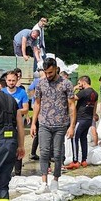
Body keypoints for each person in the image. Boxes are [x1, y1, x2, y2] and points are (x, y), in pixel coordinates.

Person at [31, 58, 75, 191]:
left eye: (50, 72)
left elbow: (72, 106)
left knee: (57, 154)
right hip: (44, 123)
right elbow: (37, 104)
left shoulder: (66, 84)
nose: (48, 75)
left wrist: (72, 126)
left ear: (56, 69)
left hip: (61, 124)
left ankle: (55, 179)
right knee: (44, 152)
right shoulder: (41, 83)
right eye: (46, 72)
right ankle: (44, 182)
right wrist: (33, 123)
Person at [66, 75, 97, 169]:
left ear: (84, 82)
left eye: (79, 83)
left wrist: (74, 88)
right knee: (83, 138)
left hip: (81, 118)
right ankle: (84, 160)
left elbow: (71, 98)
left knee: (74, 137)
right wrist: (93, 115)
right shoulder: (95, 93)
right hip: (88, 119)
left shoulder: (84, 92)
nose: (79, 85)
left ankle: (75, 161)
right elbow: (95, 105)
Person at [3, 69, 30, 175]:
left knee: (18, 146)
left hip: (17, 123)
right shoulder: (2, 92)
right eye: (9, 80)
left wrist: (14, 111)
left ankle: (18, 173)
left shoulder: (22, 92)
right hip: (4, 124)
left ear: (17, 80)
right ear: (6, 80)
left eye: (13, 80)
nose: (11, 82)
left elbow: (26, 109)